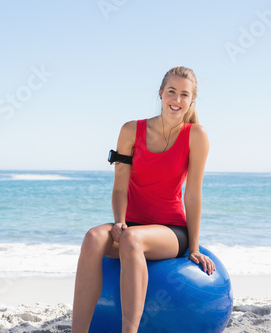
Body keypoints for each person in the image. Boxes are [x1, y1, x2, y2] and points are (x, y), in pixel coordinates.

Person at [71, 66, 215, 333]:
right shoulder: (130, 130)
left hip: (171, 231)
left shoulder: (196, 135)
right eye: (171, 91)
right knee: (93, 237)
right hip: (131, 224)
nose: (177, 99)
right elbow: (119, 187)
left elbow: (193, 194)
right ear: (160, 93)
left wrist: (193, 247)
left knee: (132, 239)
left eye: (184, 94)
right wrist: (120, 221)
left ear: (191, 100)